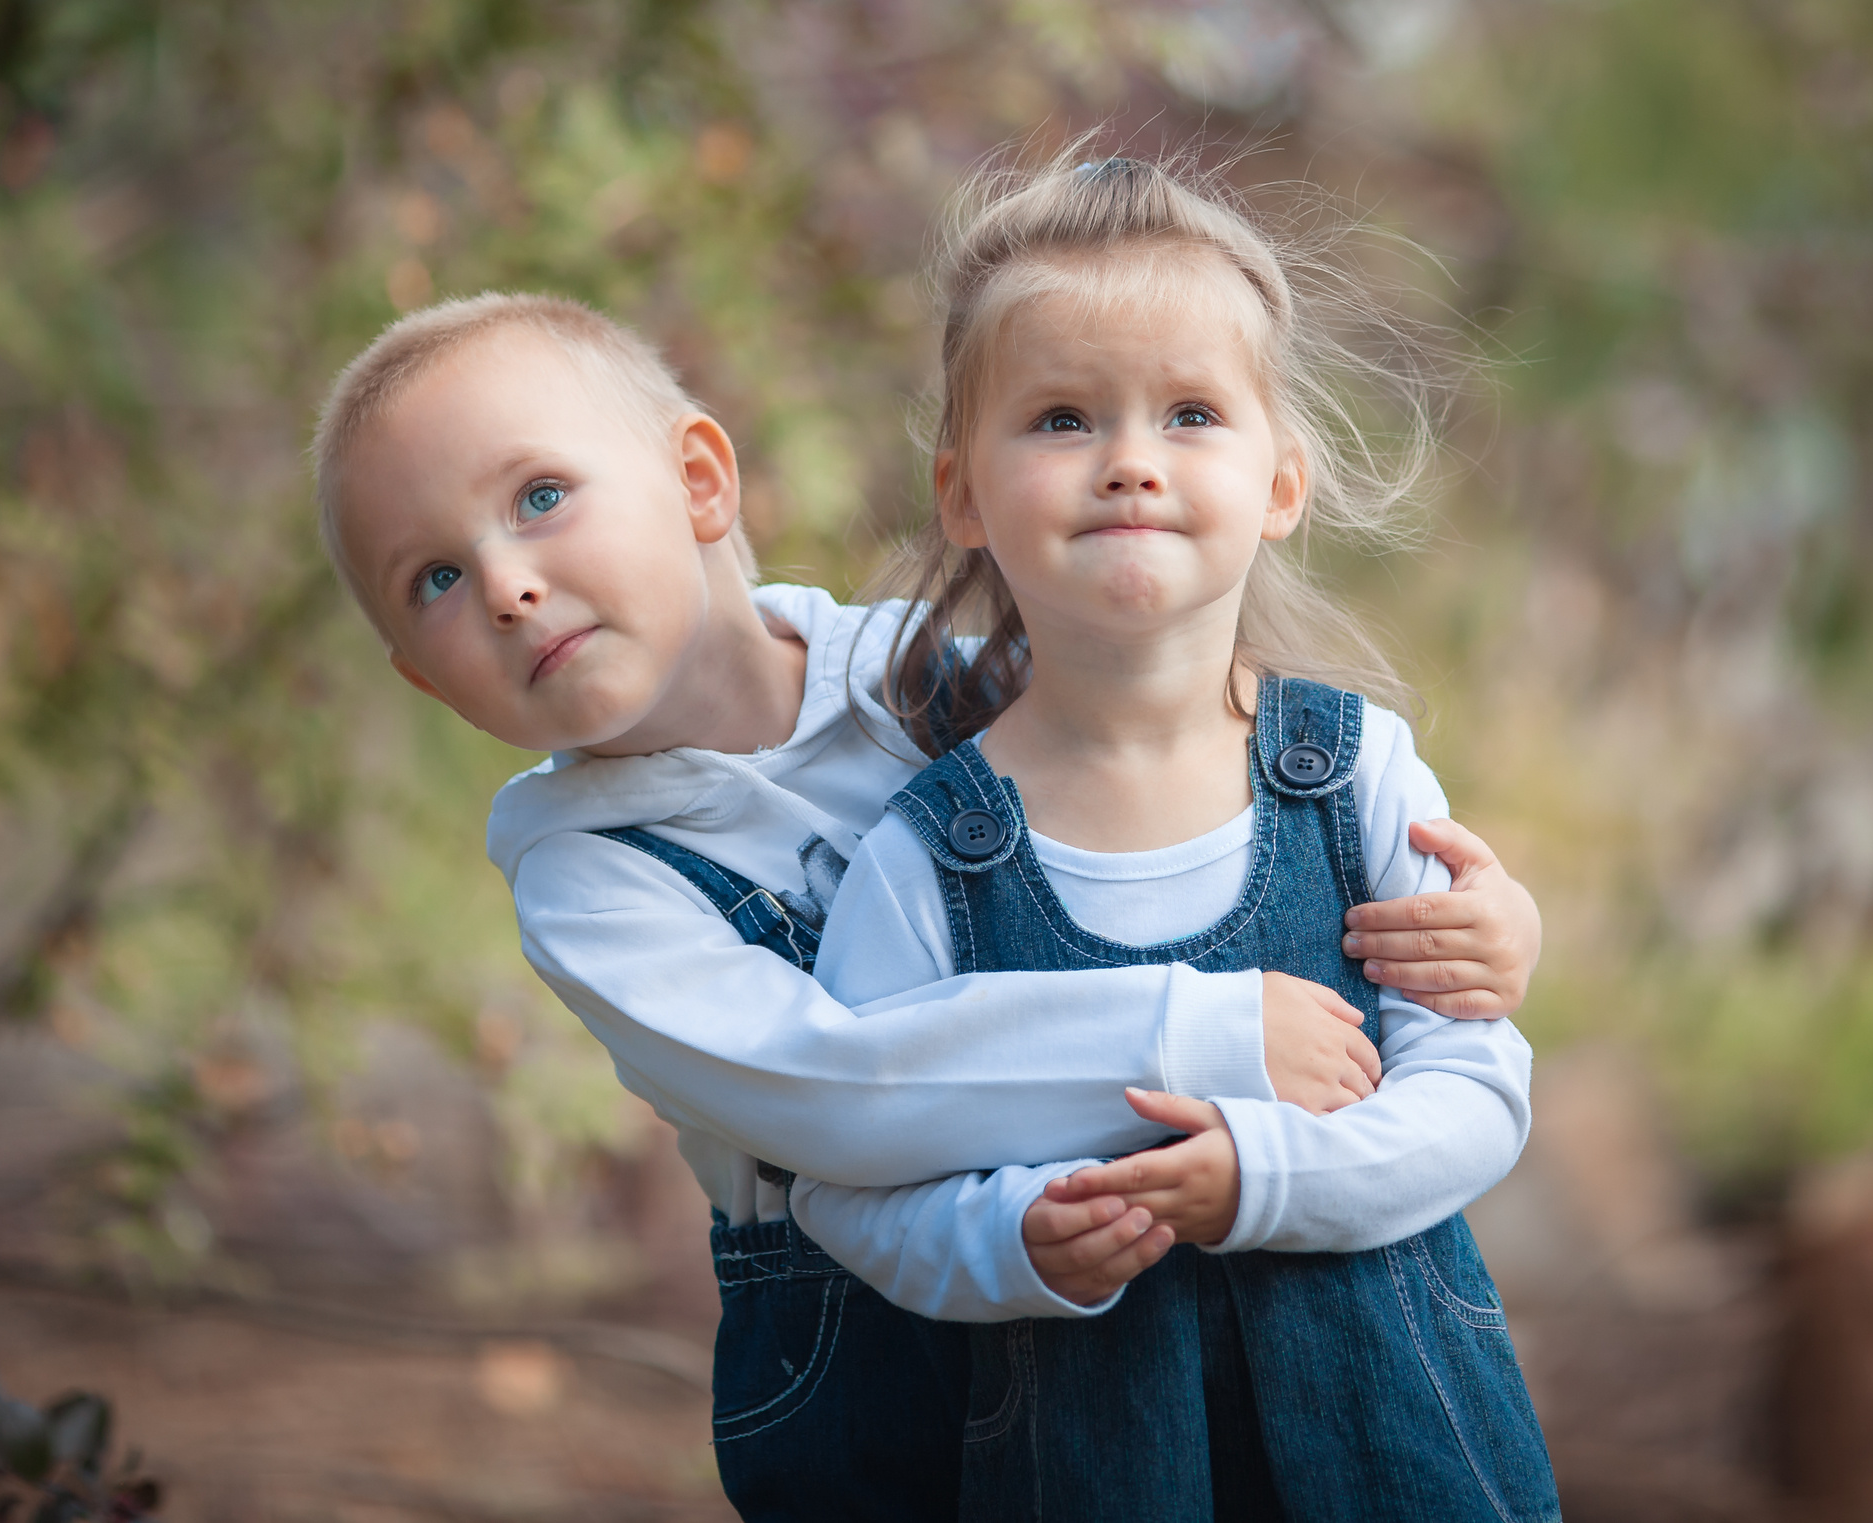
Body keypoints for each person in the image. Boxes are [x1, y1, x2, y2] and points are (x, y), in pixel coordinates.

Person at [308, 288, 1546, 1521]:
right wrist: (1195, 1034)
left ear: (698, 482)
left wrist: (1483, 929)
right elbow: (830, 1090)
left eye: (540, 498)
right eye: (434, 578)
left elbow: (1200, 764)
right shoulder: (589, 880)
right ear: (426, 682)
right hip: (874, 1352)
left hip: (1165, 1295)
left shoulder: (949, 680)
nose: (507, 586)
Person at [788, 154, 1562, 1521]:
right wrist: (1007, 1240)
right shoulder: (926, 857)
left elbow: (1475, 1086)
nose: (1131, 460)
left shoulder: (1354, 776)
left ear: (1281, 480)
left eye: (1191, 413)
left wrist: (1266, 1177)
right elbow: (847, 1179)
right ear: (962, 494)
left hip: (1398, 1456)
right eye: (1062, 417)